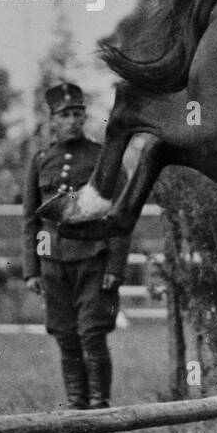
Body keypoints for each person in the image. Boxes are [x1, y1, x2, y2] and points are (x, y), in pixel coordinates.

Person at [23, 83, 132, 408]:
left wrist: (115, 266)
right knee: (65, 336)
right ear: (53, 120)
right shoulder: (41, 160)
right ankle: (76, 404)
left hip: (94, 260)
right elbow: (31, 219)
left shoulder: (102, 159)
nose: (72, 120)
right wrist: (32, 270)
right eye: (64, 115)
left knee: (92, 334)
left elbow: (121, 214)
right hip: (53, 264)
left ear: (84, 117)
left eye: (77, 113)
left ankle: (99, 404)